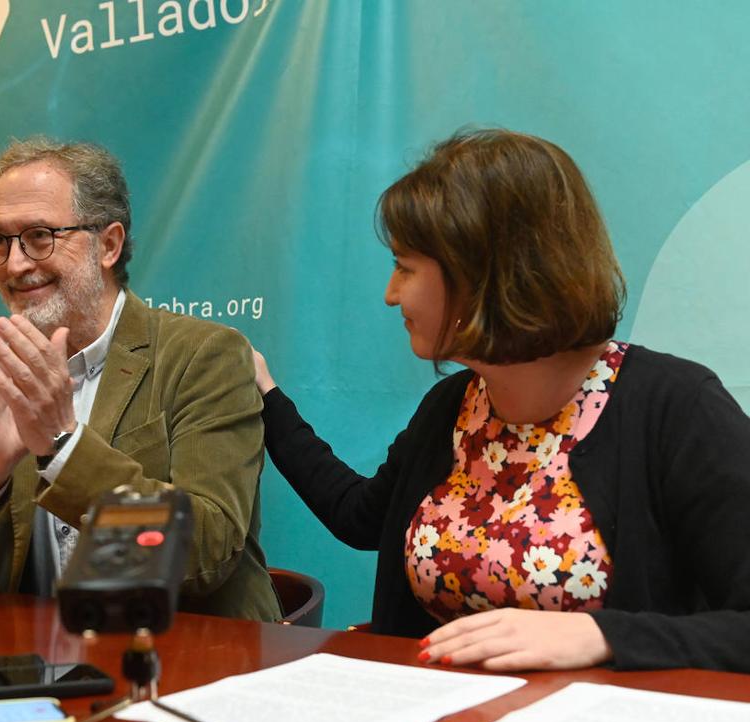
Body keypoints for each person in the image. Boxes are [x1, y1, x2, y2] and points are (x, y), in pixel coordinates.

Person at [256, 129, 750, 672]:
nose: (390, 293)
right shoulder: (452, 406)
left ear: (480, 273)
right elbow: (359, 516)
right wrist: (268, 399)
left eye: (405, 266)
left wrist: (601, 635)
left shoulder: (675, 408)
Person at [0, 137, 280, 621]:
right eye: (0, 240)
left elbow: (207, 552)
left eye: (39, 236)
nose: (14, 264)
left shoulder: (205, 354)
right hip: (39, 670)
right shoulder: (2, 372)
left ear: (109, 245)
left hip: (184, 665)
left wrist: (63, 445)